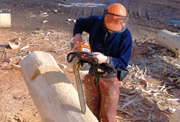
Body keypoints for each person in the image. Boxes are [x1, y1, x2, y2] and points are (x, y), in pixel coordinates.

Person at [72, 3, 132, 122]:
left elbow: (123, 63)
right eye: (109, 24)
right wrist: (77, 36)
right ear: (104, 17)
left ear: (123, 22)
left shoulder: (125, 36)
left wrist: (106, 59)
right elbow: (79, 23)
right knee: (90, 111)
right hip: (91, 74)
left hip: (110, 78)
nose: (111, 28)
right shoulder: (96, 22)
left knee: (108, 116)